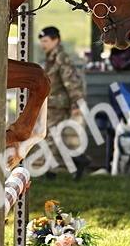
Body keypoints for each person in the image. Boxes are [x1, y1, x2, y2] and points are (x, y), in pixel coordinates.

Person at [38, 26, 92, 180]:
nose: (43, 45)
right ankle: (78, 160)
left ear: (56, 40)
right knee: (55, 137)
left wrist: (76, 103)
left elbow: (72, 82)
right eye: (42, 41)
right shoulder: (50, 58)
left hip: (59, 105)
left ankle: (50, 173)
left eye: (46, 41)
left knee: (49, 137)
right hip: (52, 104)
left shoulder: (61, 59)